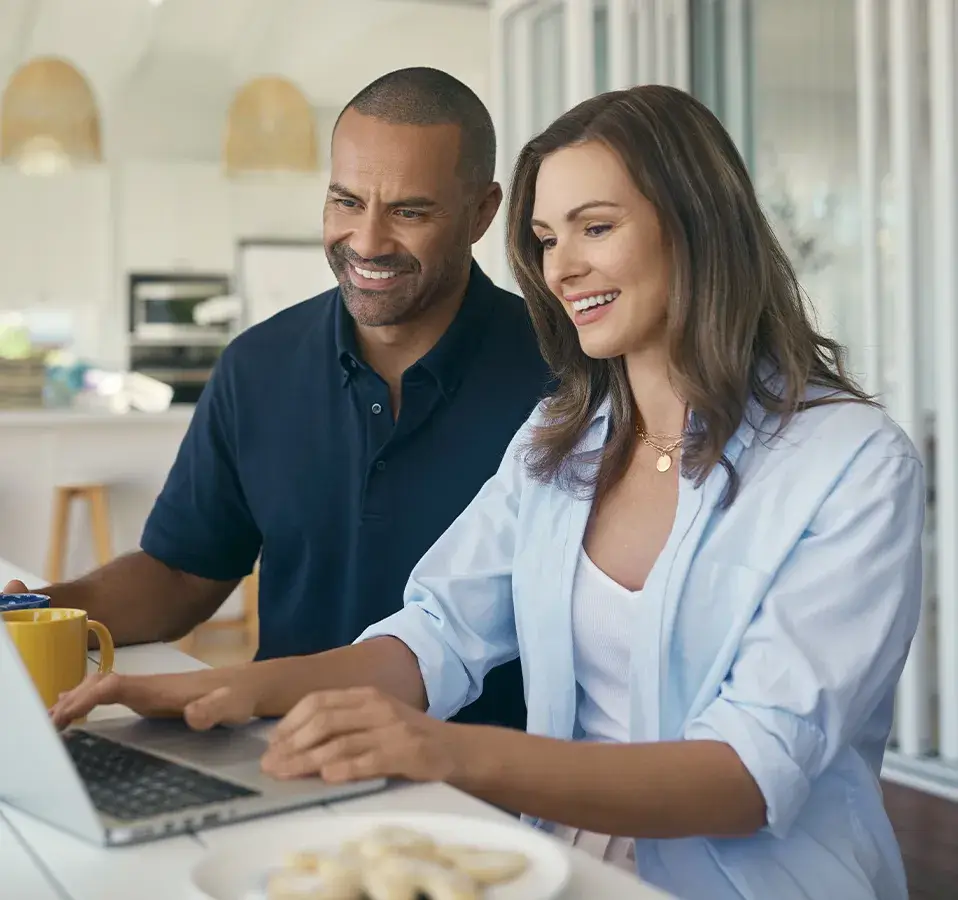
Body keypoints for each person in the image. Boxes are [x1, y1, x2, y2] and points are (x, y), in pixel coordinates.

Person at [52, 85, 922, 900]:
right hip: (556, 866)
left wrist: (446, 752)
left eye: (595, 228)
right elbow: (435, 634)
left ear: (698, 225)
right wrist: (233, 690)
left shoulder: (850, 463)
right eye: (546, 239)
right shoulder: (565, 436)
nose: (562, 268)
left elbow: (747, 774)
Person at [7, 67, 553, 732]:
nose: (367, 241)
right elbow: (183, 575)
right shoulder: (257, 366)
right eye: (346, 201)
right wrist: (41, 610)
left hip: (485, 774)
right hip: (279, 752)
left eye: (409, 212)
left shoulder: (566, 378)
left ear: (482, 213)